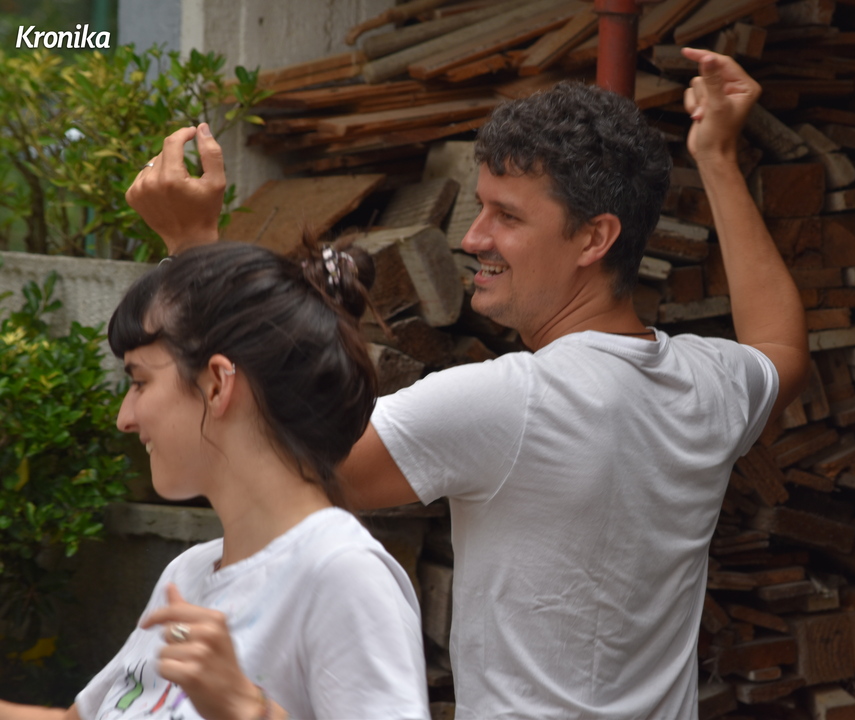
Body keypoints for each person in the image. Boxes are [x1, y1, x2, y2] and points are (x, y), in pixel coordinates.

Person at [126, 49, 809, 719]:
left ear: (594, 238)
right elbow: (780, 348)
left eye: (507, 217)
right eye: (480, 208)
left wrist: (194, 249)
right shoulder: (706, 385)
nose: (474, 237)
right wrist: (718, 158)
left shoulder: (512, 403)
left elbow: (277, 465)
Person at [0, 240, 430, 720]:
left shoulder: (342, 574)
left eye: (139, 381)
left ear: (217, 384)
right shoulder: (187, 573)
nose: (124, 417)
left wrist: (248, 709)